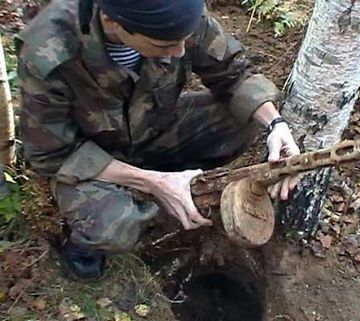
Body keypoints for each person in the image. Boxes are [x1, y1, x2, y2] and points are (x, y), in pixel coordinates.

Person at [16, 0, 301, 280]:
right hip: (91, 157)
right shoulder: (48, 50)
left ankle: (175, 180)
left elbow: (234, 72)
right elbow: (52, 154)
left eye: (183, 41)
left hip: (151, 126)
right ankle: (85, 240)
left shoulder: (181, 16)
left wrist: (276, 124)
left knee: (243, 119)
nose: (179, 52)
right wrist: (154, 182)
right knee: (114, 227)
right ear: (111, 22)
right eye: (164, 46)